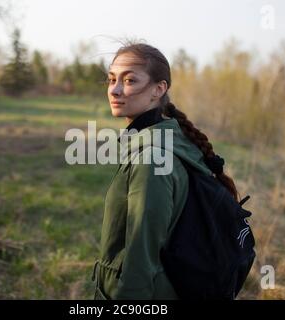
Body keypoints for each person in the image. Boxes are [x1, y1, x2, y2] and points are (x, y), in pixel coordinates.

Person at [92, 42, 239, 300]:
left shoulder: (151, 159)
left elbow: (141, 256)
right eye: (111, 79)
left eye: (129, 80)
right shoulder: (169, 138)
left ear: (158, 89)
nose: (114, 90)